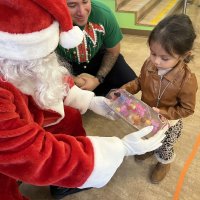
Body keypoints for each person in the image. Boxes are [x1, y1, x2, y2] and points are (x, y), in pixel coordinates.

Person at [0, 1, 167, 200]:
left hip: (24, 114)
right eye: (40, 56)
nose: (46, 60)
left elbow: (44, 78)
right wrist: (118, 149)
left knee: (69, 117)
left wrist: (91, 101)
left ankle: (62, 184)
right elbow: (33, 155)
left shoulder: (16, 63)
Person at [121, 14, 198, 183]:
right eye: (153, 53)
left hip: (169, 123)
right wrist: (125, 89)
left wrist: (164, 112)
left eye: (164, 58)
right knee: (147, 135)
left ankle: (164, 163)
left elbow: (187, 109)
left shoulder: (187, 81)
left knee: (165, 146)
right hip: (146, 114)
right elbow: (140, 81)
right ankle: (149, 149)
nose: (156, 61)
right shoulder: (149, 64)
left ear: (184, 55)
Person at [56, 0, 137, 96]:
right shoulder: (49, 20)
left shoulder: (104, 14)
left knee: (128, 81)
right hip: (66, 65)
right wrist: (75, 80)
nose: (81, 12)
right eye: (72, 5)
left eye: (85, 2)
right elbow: (44, 63)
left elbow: (113, 52)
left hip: (98, 57)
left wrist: (97, 79)